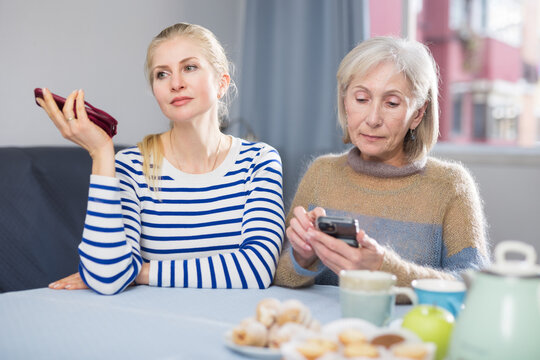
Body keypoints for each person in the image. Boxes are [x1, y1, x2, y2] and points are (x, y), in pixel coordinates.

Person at [36, 23, 284, 295]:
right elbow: (107, 277)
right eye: (162, 74)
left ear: (221, 84)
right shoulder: (129, 166)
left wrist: (137, 271)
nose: (176, 83)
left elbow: (257, 269)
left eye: (189, 67)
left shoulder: (260, 161)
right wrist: (101, 153)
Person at [273, 36, 490, 290]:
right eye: (362, 99)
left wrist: (384, 270)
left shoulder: (450, 185)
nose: (373, 119)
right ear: (346, 102)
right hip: (326, 329)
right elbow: (280, 274)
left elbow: (476, 284)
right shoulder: (322, 173)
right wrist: (302, 256)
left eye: (392, 103)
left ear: (418, 114)